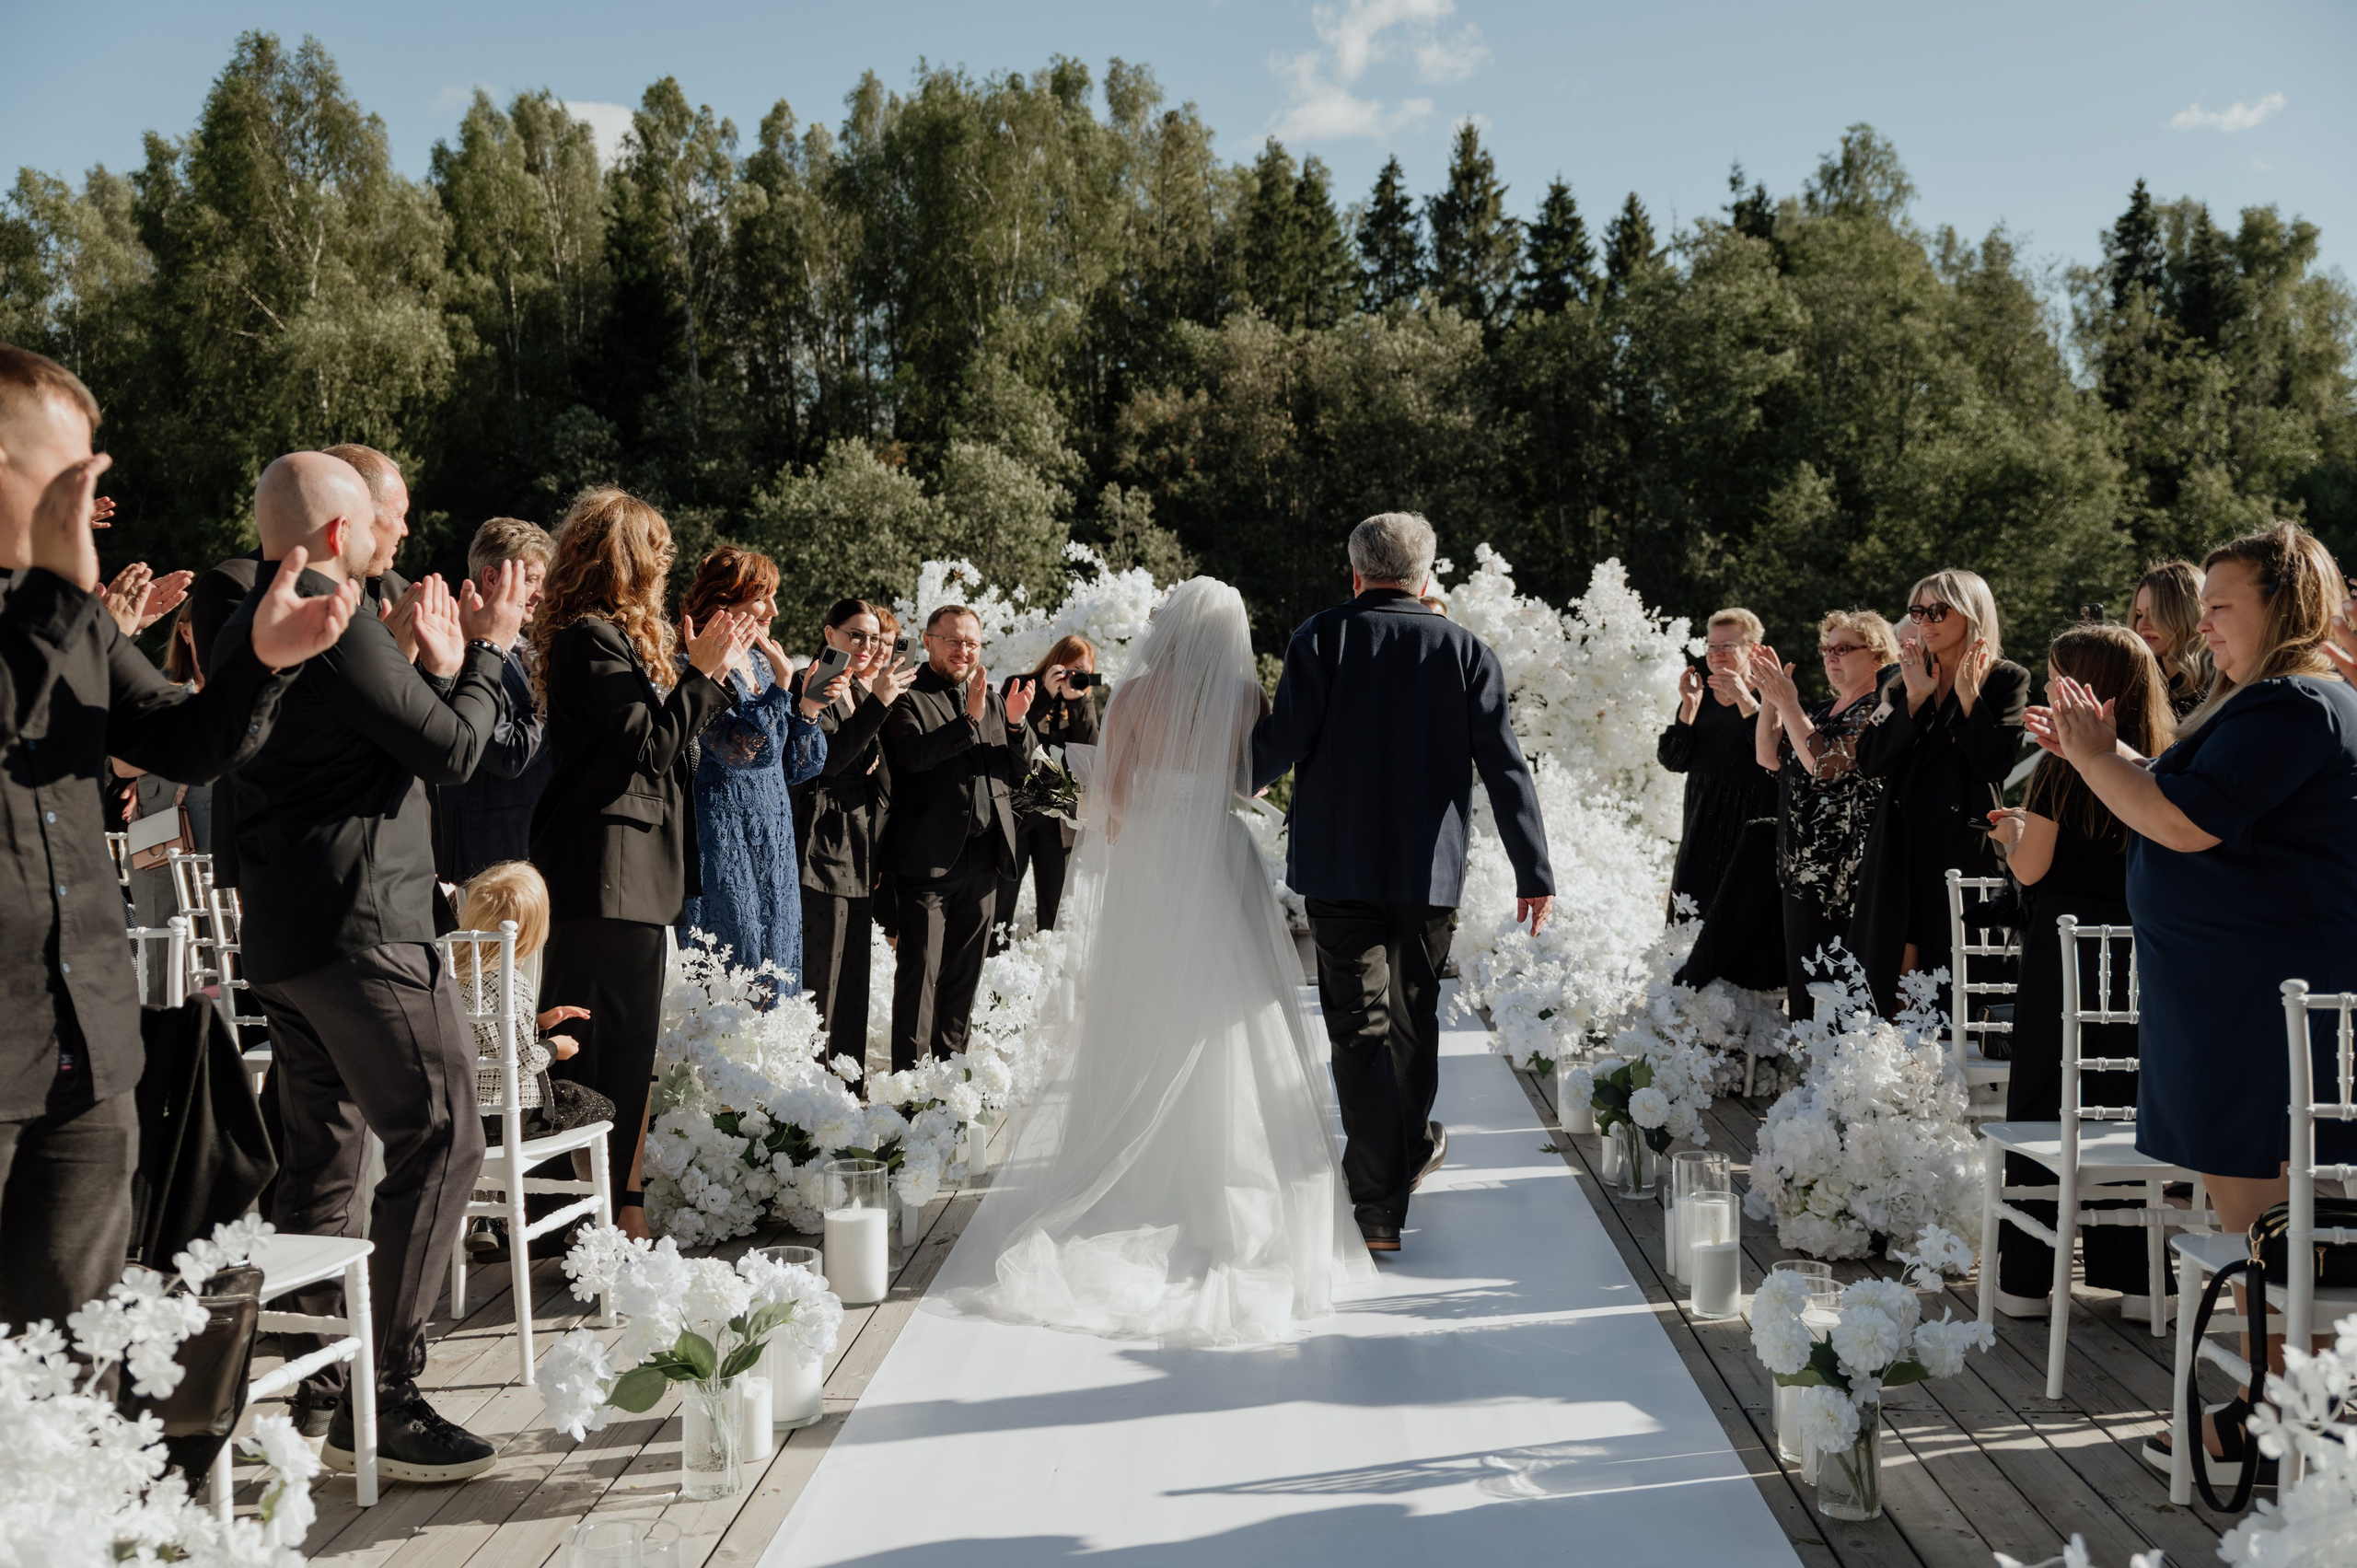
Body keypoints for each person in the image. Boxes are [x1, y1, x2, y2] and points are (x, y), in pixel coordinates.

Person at [0, 343, 354, 1338]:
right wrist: (56, 598)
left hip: (91, 1046)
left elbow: (182, 741)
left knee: (76, 1354)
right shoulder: (58, 605)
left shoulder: (69, 615)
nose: (89, 500)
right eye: (71, 475)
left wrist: (259, 666)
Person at [942, 578, 1375, 1344]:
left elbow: (1108, 793)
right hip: (1215, 850)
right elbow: (1254, 781)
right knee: (1227, 1014)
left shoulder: (1137, 693)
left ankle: (1135, 1178)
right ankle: (1229, 1189)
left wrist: (1144, 815)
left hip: (1150, 860)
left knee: (1142, 1007)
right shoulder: (1246, 694)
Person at [219, 449, 528, 1481]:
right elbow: (450, 749)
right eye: (388, 519)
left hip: (289, 939)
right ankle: (381, 1392)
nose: (402, 536)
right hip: (364, 930)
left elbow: (354, 743)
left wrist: (415, 664)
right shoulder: (332, 608)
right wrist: (487, 652)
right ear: (345, 530)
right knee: (443, 1137)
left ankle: (319, 1370)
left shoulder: (250, 616)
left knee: (328, 1160)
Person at [2024, 524, 2357, 1470]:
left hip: (2264, 1020)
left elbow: (2181, 819)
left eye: (2221, 605)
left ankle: (2281, 1423)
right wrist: (2106, 747)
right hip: (2230, 1010)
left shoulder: (2295, 703)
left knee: (2269, 1231)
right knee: (2255, 1226)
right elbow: (2180, 788)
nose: (2203, 623)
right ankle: (2283, 1413)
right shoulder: (2256, 702)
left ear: (2283, 606)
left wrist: (2096, 759)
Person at [1251, 512, 1555, 1254]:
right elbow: (1504, 765)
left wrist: (1213, 777)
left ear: (1355, 573)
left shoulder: (1319, 638)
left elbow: (1278, 746)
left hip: (1338, 867)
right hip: (1429, 871)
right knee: (1414, 1020)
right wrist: (1533, 868)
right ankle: (1404, 1157)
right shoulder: (1465, 650)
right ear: (1426, 577)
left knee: (1358, 1028)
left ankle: (1380, 1202)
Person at [528, 489, 755, 1242]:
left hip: (631, 875)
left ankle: (613, 1209)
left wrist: (698, 678)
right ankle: (574, 1218)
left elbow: (665, 750)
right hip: (605, 872)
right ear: (625, 559)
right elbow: (648, 747)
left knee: (624, 1055)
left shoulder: (612, 641)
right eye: (656, 552)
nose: (666, 566)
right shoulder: (589, 638)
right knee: (594, 1054)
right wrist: (702, 674)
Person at [1984, 624, 2173, 1319]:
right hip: (2143, 955)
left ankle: (2027, 1280)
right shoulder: (2165, 758)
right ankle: (2140, 1277)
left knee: (2044, 1097)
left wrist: (2010, 837)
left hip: (2065, 964)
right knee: (2126, 1106)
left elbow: (2032, 869)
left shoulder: (2062, 769)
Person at [189, 442, 412, 891]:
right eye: (398, 513)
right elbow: (259, 709)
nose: (405, 530)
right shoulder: (236, 586)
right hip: (283, 848)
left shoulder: (395, 588)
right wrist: (395, 657)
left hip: (390, 846)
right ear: (352, 510)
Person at [1846, 569, 2030, 1015]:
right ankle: (1889, 1071)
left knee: (1952, 973)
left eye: (1938, 610)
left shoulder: (2006, 679)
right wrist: (1913, 699)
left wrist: (1968, 698)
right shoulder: (1899, 675)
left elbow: (1996, 765)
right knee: (1891, 969)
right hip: (1898, 841)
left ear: (1970, 614)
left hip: (1962, 843)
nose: (1925, 621)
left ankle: (1947, 1076)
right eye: (1917, 611)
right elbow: (1869, 759)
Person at [878, 605, 1037, 1071]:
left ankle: (950, 1076)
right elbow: (912, 757)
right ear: (928, 641)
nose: (963, 650)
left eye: (972, 643)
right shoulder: (906, 695)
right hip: (927, 860)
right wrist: (968, 721)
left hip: (985, 859)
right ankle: (909, 1084)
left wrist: (1013, 723)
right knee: (920, 974)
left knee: (966, 974)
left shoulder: (984, 694)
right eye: (953, 641)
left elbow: (1017, 770)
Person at [674, 546, 836, 990]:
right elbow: (742, 750)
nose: (775, 610)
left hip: (774, 834)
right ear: (726, 599)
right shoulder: (692, 659)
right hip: (722, 831)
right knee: (738, 957)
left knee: (779, 960)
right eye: (763, 596)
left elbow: (795, 767)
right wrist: (784, 687)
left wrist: (806, 709)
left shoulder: (761, 662)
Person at [1748, 610, 1898, 1019]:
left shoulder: (1878, 710)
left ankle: (1837, 1081)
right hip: (1800, 870)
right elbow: (1768, 756)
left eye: (1843, 649)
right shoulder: (1822, 711)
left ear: (1878, 655)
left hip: (1842, 877)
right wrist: (1769, 700)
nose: (1831, 657)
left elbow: (1825, 764)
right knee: (1804, 998)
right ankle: (1811, 1081)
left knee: (1835, 994)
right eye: (1826, 649)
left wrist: (1788, 702)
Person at [795, 599, 914, 1063]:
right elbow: (824, 763)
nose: (866, 646)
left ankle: (846, 1084)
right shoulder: (817, 679)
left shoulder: (858, 690)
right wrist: (881, 703)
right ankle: (809, 1096)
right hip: (821, 841)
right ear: (830, 635)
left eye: (872, 638)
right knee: (821, 975)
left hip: (859, 844)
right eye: (855, 635)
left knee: (853, 977)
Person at [431, 518, 556, 882]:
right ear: (490, 578)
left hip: (535, 846)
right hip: (491, 857)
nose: (541, 593)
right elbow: (507, 754)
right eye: (531, 579)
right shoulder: (460, 647)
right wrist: (558, 699)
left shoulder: (528, 648)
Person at [450, 861, 608, 1142]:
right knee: (597, 1106)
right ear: (532, 931)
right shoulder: (512, 983)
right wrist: (554, 1047)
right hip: (512, 1115)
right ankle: (586, 1184)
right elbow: (521, 1062)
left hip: (465, 1113)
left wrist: (539, 1021)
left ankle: (488, 1186)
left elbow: (486, 1032)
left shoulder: (459, 974)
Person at [1659, 609, 1778, 920]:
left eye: (1727, 646)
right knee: (1689, 918)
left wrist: (1744, 699)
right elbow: (1674, 760)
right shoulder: (1702, 697)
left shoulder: (1772, 695)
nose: (1717, 654)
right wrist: (1689, 706)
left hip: (1751, 826)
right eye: (1711, 646)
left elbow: (1775, 755)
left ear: (1752, 649)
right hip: (1701, 825)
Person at [996, 633, 1101, 944]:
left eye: (1083, 671)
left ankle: (1045, 968)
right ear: (1056, 662)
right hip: (1017, 809)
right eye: (1070, 668)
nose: (1074, 677)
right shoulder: (1021, 683)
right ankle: (992, 968)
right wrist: (1044, 692)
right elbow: (1006, 731)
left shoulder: (1082, 699)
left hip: (1059, 817)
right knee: (1001, 901)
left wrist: (1077, 700)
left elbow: (1092, 752)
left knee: (1055, 908)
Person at [2130, 559, 2211, 721]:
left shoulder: (2218, 681)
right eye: (2139, 615)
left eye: (2155, 613)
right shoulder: (2135, 678)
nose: (2142, 625)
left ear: (2186, 614)